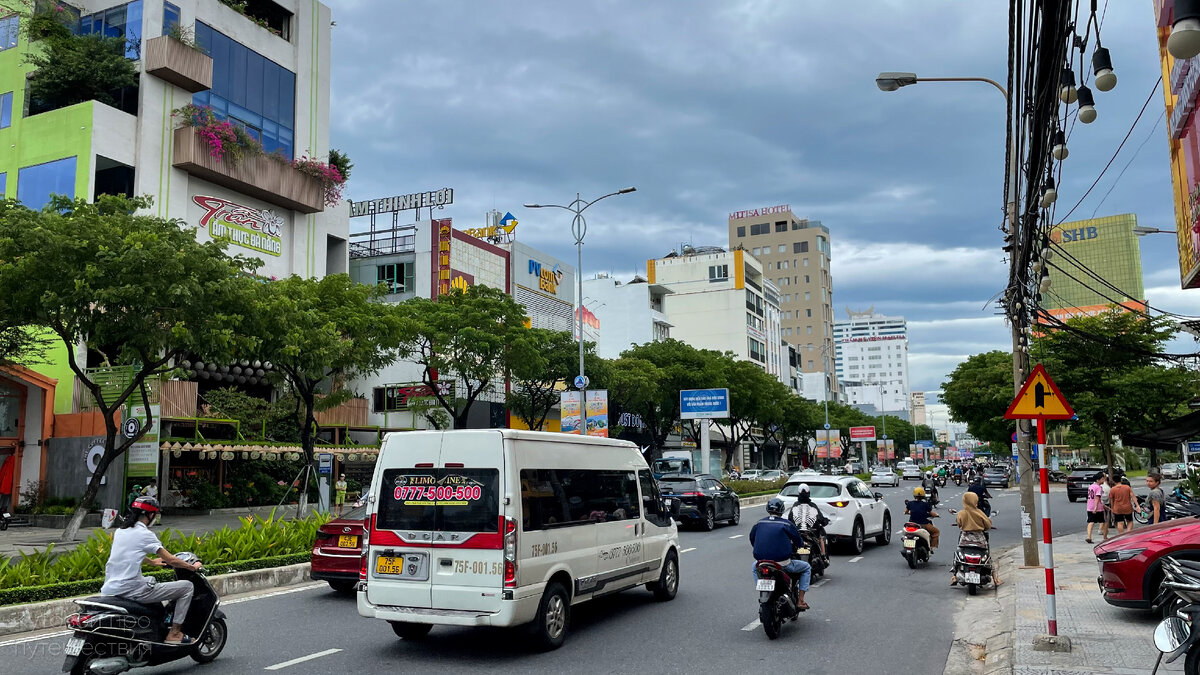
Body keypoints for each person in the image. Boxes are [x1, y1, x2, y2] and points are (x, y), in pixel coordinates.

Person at [101, 497, 201, 644]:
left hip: (110, 588)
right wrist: (193, 566)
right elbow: (171, 560)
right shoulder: (146, 535)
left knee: (150, 583)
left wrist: (152, 562)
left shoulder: (120, 531)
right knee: (187, 587)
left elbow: (128, 553)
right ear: (151, 515)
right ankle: (174, 633)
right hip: (132, 590)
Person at [750, 497, 812, 610]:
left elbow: (752, 539)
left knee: (754, 567)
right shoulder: (787, 524)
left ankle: (762, 589)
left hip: (762, 562)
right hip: (782, 563)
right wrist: (802, 545)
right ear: (782, 510)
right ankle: (801, 600)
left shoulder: (759, 523)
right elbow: (798, 542)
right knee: (806, 567)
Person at [952, 491, 1001, 586]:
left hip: (965, 539)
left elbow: (959, 524)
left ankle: (954, 575)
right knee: (988, 557)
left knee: (958, 555)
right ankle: (995, 579)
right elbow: (988, 526)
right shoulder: (980, 513)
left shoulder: (961, 513)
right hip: (980, 539)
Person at [788, 484, 830, 562]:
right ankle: (824, 556)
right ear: (809, 493)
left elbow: (790, 519)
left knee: (789, 539)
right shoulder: (813, 506)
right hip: (811, 532)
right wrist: (825, 521)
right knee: (821, 537)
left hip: (798, 532)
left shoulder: (795, 505)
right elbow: (821, 519)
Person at [1085, 472, 1107, 544]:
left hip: (1089, 506)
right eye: (1102, 479)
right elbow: (1097, 498)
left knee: (1091, 522)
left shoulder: (1091, 486)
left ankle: (1089, 536)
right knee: (1103, 522)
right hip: (1098, 508)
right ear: (1098, 480)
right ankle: (1105, 537)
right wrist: (1096, 507)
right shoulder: (1098, 487)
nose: (1103, 480)